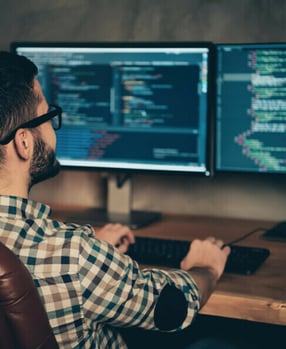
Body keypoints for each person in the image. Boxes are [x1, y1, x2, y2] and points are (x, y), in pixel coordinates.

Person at [0, 51, 230, 348]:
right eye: (48, 116)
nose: (53, 130)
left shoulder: (73, 254)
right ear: (24, 142)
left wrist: (97, 251)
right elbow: (172, 308)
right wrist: (205, 268)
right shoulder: (74, 256)